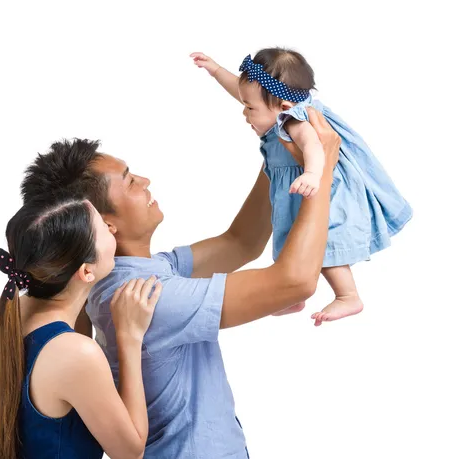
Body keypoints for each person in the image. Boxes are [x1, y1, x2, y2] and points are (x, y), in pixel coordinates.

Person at [20, 110, 339, 458]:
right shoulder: (144, 295)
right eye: (129, 181)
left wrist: (276, 156)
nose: (145, 181)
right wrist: (320, 168)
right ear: (105, 224)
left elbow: (241, 242)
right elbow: (295, 282)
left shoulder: (147, 270)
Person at [192, 48, 413, 325]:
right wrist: (215, 70)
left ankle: (348, 295)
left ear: (283, 107)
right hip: (294, 193)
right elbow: (241, 90)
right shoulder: (277, 104)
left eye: (250, 108)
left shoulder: (294, 119)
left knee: (323, 245)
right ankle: (291, 295)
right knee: (291, 243)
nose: (244, 113)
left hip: (322, 189)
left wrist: (311, 174)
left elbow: (313, 146)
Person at [0, 196, 162, 459]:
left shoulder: (8, 315)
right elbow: (131, 451)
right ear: (87, 272)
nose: (112, 228)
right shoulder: (77, 354)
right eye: (103, 226)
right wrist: (129, 336)